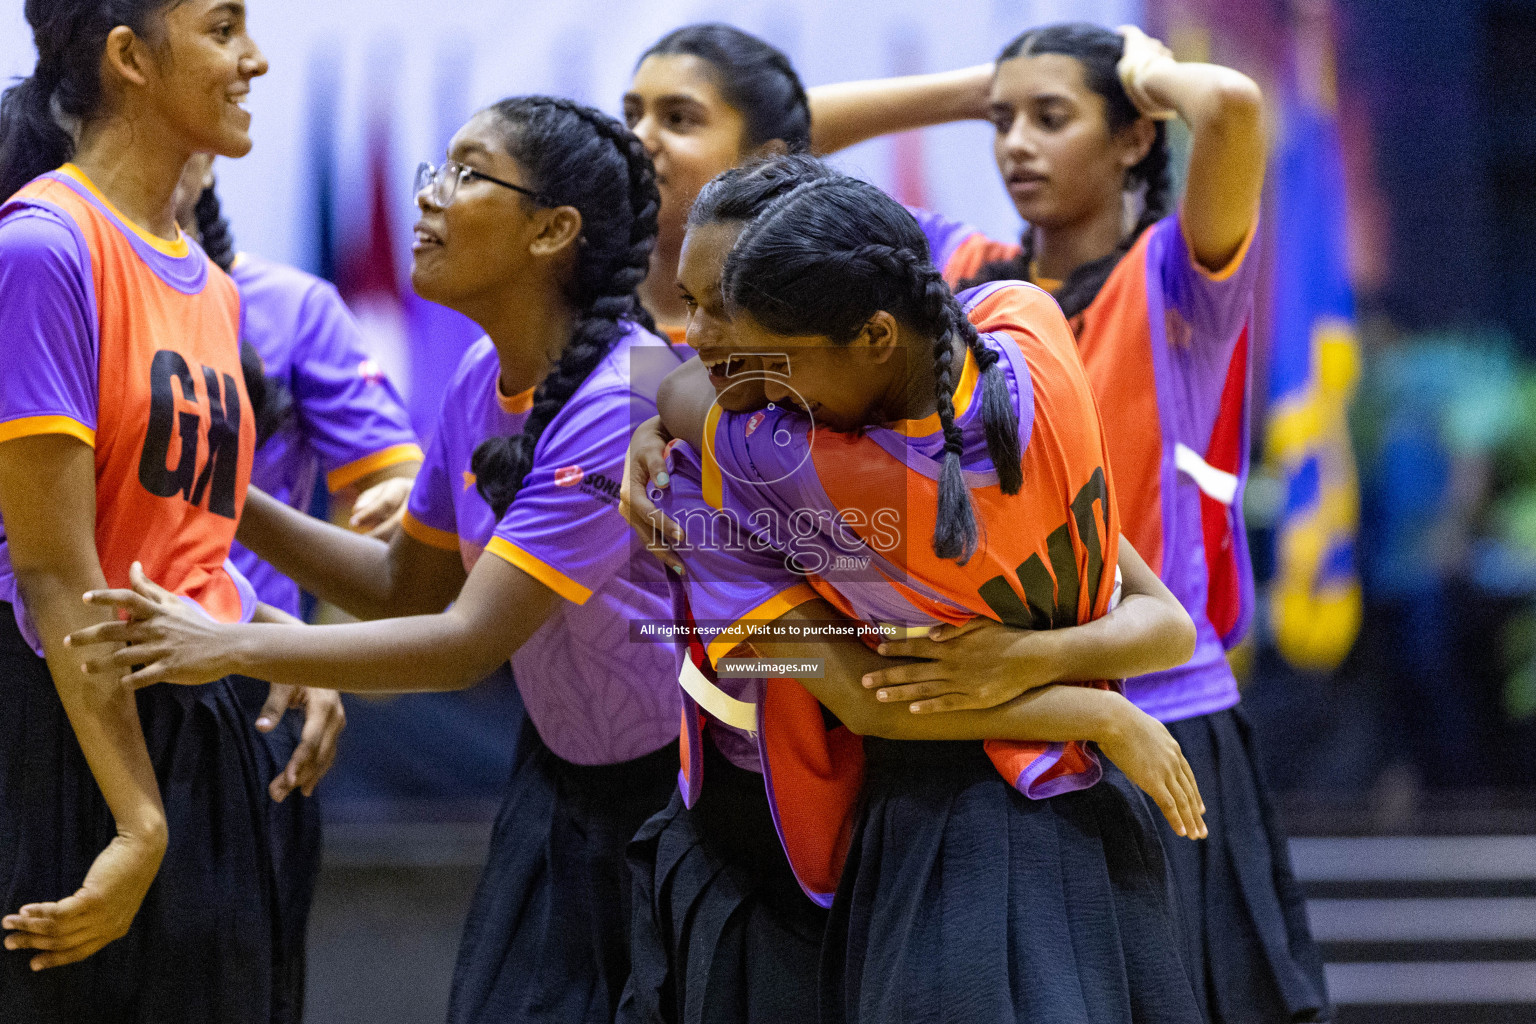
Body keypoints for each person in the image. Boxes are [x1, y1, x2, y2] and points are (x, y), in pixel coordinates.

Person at [66, 96, 688, 1024]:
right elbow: (404, 583)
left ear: (553, 232)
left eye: (466, 176)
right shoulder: (485, 377)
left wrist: (230, 645)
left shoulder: (622, 399)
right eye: (435, 170)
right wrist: (213, 479)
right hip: (561, 784)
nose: (429, 198)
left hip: (683, 800)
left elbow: (462, 643)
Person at [800, 22, 1330, 1023]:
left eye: (1052, 118)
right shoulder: (955, 275)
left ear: (1135, 138)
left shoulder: (1179, 279)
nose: (1015, 144)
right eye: (1004, 123)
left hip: (1160, 703)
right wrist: (979, 89)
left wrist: (1147, 74)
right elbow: (775, 152)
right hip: (983, 714)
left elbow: (1232, 107)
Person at [618, 155, 1206, 1024]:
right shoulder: (1026, 334)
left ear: (869, 331)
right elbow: (1164, 627)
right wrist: (1076, 691)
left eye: (743, 330)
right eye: (697, 306)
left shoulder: (778, 468)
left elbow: (869, 703)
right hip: (1077, 809)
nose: (705, 341)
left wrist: (661, 420)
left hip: (932, 830)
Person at [0, 2, 343, 1021]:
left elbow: (184, 533)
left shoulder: (209, 282)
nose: (256, 57)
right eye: (224, 27)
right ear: (128, 58)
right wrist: (137, 821)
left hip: (201, 726)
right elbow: (55, 569)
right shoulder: (45, 249)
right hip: (72, 735)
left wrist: (279, 641)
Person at [173, 152, 424, 1022]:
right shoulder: (44, 282)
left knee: (239, 989)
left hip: (255, 699)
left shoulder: (290, 307)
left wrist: (311, 640)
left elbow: (402, 503)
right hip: (60, 674)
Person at [623, 23, 811, 341]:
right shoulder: (570, 287)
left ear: (766, 162)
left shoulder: (807, 326)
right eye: (631, 116)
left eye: (678, 118)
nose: (636, 138)